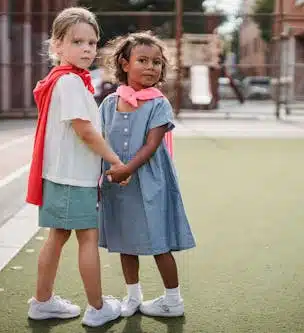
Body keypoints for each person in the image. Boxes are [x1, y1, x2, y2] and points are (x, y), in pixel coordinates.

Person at [25, 7, 122, 327]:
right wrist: (115, 161)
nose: (87, 49)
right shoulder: (68, 82)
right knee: (87, 239)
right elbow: (86, 131)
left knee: (58, 236)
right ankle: (97, 308)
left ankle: (43, 302)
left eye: (92, 43)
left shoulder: (66, 81)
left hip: (62, 176)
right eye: (77, 41)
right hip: (72, 178)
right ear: (57, 45)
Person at [98, 31, 196, 318]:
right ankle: (132, 296)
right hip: (118, 183)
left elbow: (152, 145)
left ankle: (173, 300)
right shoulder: (107, 104)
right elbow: (101, 143)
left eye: (157, 62)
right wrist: (109, 174)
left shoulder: (158, 103)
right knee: (125, 241)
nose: (152, 67)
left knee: (159, 241)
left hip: (151, 181)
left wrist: (128, 168)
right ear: (124, 63)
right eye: (143, 60)